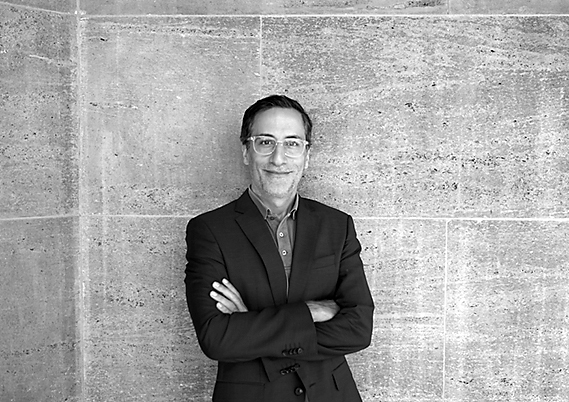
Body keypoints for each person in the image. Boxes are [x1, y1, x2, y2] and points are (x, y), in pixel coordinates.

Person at [185, 94, 374, 402]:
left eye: (292, 143)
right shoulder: (209, 230)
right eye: (265, 142)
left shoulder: (337, 225)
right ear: (246, 151)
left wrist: (249, 325)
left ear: (306, 155)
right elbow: (216, 338)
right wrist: (311, 312)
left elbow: (358, 329)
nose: (278, 159)